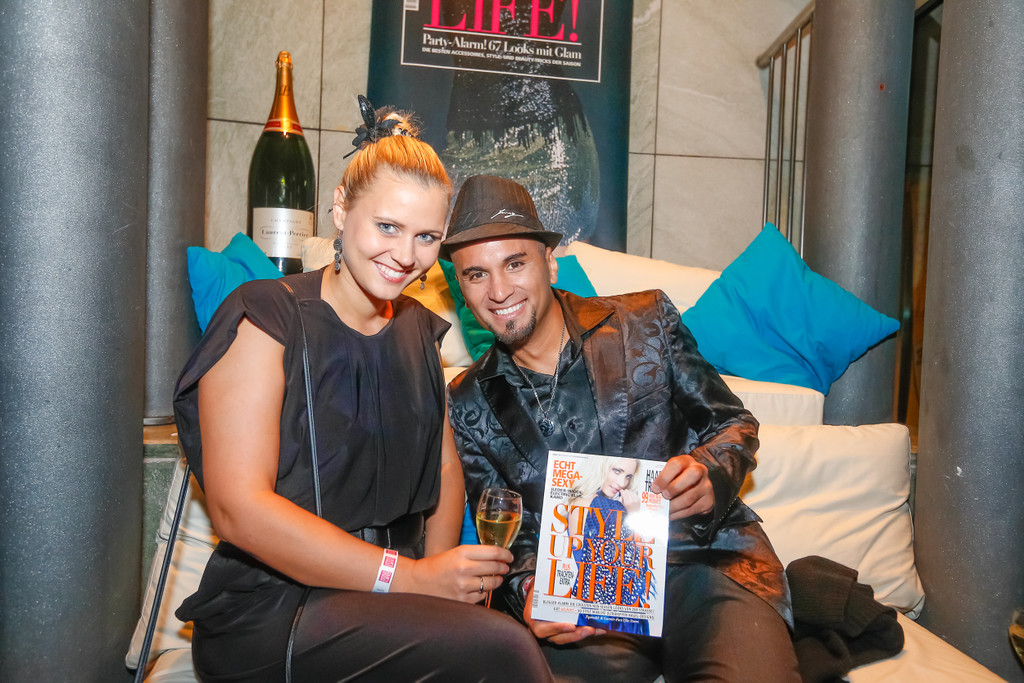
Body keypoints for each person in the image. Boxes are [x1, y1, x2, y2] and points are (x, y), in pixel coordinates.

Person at [172, 108, 552, 681]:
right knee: (505, 649)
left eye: (427, 237)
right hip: (275, 609)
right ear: (341, 209)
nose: (406, 255)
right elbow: (238, 510)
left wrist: (437, 586)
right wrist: (412, 581)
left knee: (506, 641)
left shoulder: (419, 330)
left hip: (388, 600)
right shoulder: (265, 315)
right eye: (388, 227)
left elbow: (446, 472)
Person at [443, 174, 801, 681]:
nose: (499, 291)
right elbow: (510, 531)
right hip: (584, 596)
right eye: (476, 274)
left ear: (549, 262)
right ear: (461, 287)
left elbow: (731, 422)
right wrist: (529, 592)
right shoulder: (466, 401)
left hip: (704, 563)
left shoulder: (644, 321)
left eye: (515, 263)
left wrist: (710, 474)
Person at [567, 457, 653, 635]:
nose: (622, 483)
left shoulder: (577, 502)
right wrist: (634, 515)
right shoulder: (610, 508)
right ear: (599, 467)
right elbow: (636, 569)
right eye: (617, 471)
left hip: (587, 609)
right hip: (617, 616)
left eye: (628, 476)